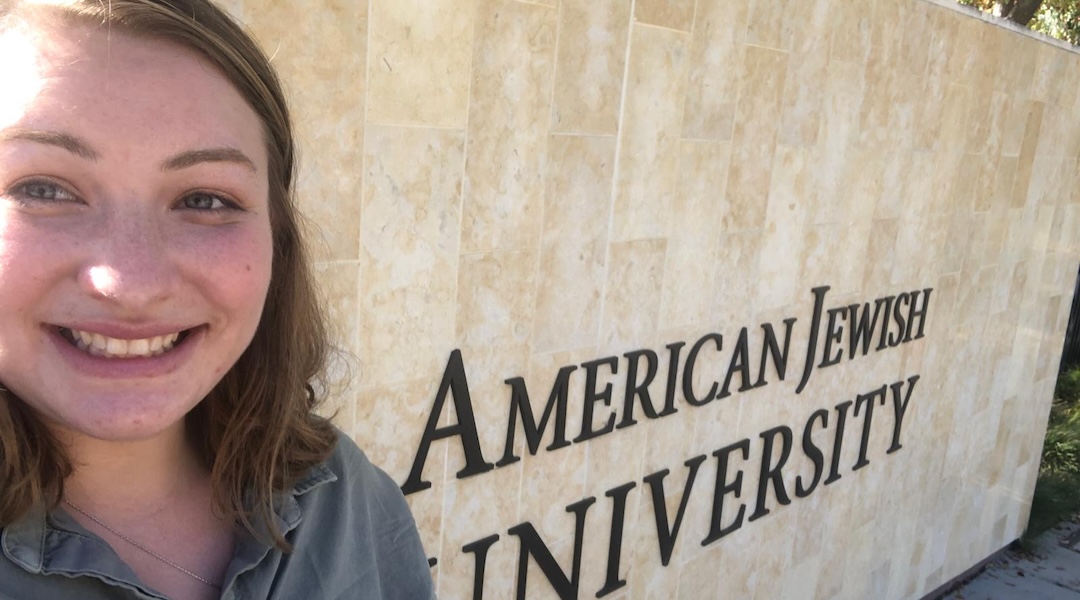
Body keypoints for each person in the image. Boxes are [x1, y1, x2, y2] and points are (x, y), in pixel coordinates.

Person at [0, 0, 435, 598]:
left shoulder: (343, 500)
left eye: (204, 199)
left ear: (276, 238)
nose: (131, 284)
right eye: (43, 188)